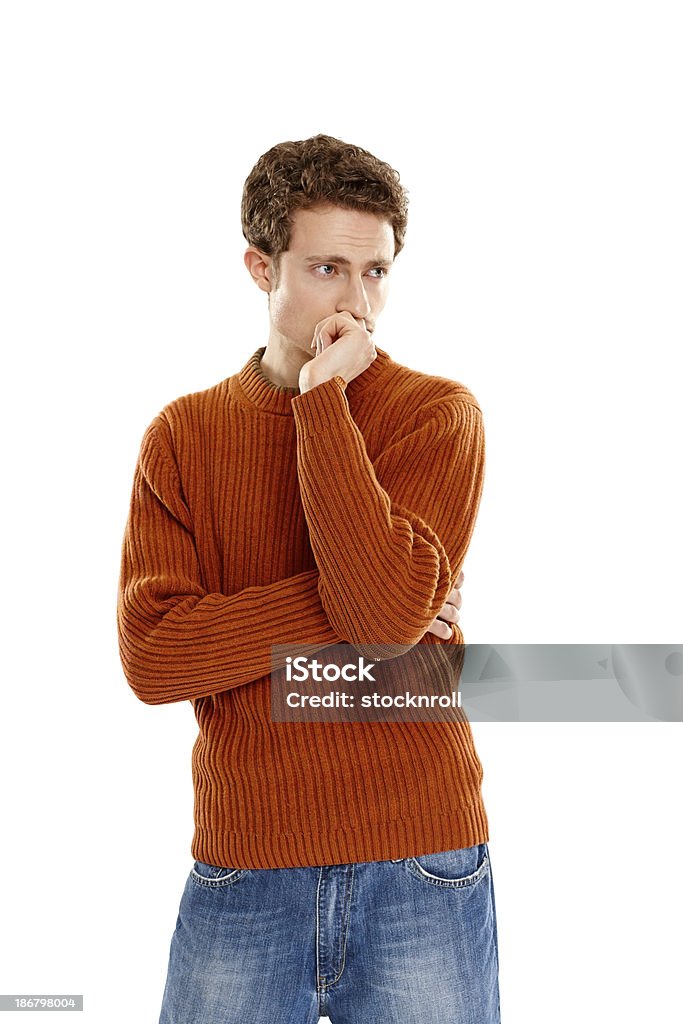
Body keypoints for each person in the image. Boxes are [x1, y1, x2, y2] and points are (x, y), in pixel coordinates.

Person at [117, 133, 501, 1023]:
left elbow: (376, 617)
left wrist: (322, 405)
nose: (358, 302)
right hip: (246, 858)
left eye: (376, 272)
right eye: (328, 268)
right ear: (261, 266)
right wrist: (387, 599)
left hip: (422, 856)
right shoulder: (183, 435)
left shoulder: (436, 416)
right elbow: (155, 659)